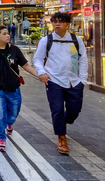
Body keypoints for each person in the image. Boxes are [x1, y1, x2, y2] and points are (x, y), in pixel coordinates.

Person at [33, 11, 88, 155]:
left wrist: (83, 79)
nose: (57, 24)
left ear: (67, 24)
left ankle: (64, 122)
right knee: (57, 109)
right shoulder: (47, 40)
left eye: (60, 21)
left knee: (75, 110)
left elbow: (83, 59)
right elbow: (37, 59)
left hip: (74, 81)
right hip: (53, 80)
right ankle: (61, 137)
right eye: (54, 21)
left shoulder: (76, 40)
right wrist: (41, 72)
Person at [0, 25, 42, 151]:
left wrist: (39, 75)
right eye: (4, 34)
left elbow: (25, 65)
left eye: (8, 33)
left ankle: (9, 124)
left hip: (13, 87)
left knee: (14, 113)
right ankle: (1, 138)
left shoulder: (14, 50)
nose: (7, 35)